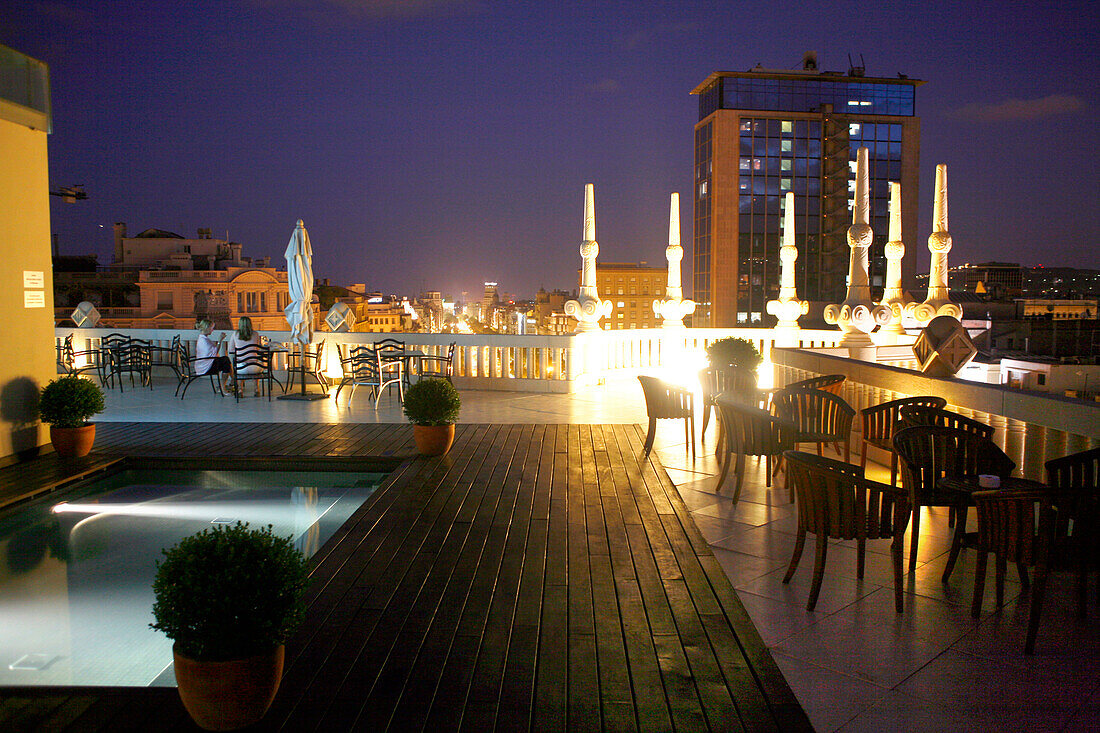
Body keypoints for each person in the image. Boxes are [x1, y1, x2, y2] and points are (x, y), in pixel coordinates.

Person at [229, 316, 264, 396]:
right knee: (256, 363)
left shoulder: (235, 334)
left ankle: (240, 390)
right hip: (254, 368)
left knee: (239, 365)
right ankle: (256, 388)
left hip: (241, 368)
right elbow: (258, 349)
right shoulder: (255, 334)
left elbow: (231, 350)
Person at [194, 319, 232, 393]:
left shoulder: (202, 338)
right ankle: (223, 387)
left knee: (225, 360)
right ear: (207, 328)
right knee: (226, 362)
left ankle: (232, 382)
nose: (213, 330)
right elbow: (214, 353)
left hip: (202, 364)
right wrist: (220, 340)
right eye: (212, 328)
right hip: (205, 367)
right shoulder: (204, 341)